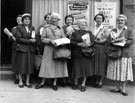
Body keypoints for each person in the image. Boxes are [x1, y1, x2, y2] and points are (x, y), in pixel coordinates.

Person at [35, 13, 68, 91]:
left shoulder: (60, 29)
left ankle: (54, 83)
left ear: (58, 20)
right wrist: (50, 41)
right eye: (53, 19)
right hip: (48, 49)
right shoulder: (46, 28)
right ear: (51, 20)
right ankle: (42, 82)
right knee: (46, 66)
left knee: (57, 65)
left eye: (56, 19)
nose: (54, 20)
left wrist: (62, 41)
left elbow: (64, 37)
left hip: (58, 49)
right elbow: (42, 39)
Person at [106, 14, 134, 96]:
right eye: (119, 20)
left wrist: (123, 43)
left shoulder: (129, 30)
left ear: (125, 21)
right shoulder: (113, 30)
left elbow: (131, 41)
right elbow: (108, 41)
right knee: (116, 71)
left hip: (124, 54)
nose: (120, 21)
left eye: (122, 20)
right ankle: (117, 87)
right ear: (117, 21)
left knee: (124, 72)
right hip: (114, 53)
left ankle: (123, 88)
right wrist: (112, 42)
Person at [71, 19, 95, 92]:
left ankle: (83, 84)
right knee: (76, 69)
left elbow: (93, 41)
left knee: (85, 69)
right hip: (77, 53)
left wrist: (89, 44)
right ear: (79, 26)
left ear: (86, 25)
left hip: (86, 53)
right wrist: (78, 44)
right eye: (81, 25)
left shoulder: (89, 33)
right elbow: (71, 41)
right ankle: (75, 83)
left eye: (84, 25)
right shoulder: (75, 33)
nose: (83, 26)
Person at [16, 13, 36, 88]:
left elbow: (33, 37)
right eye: (25, 19)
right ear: (23, 20)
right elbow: (18, 38)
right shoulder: (19, 27)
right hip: (22, 49)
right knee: (21, 65)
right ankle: (21, 81)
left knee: (29, 65)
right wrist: (29, 41)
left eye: (28, 19)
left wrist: (34, 40)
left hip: (30, 49)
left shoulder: (32, 27)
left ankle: (27, 81)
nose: (27, 21)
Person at [92, 14, 110, 88]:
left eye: (100, 18)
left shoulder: (105, 29)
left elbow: (106, 39)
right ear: (95, 19)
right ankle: (96, 80)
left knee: (101, 64)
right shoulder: (92, 28)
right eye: (97, 18)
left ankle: (100, 81)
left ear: (102, 20)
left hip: (102, 48)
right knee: (95, 64)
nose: (99, 19)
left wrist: (98, 42)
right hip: (93, 48)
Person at [8, 15, 22, 84]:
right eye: (17, 19)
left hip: (23, 47)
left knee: (22, 62)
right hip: (15, 47)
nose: (19, 20)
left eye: (20, 19)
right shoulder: (14, 28)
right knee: (15, 62)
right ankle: (17, 77)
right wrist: (10, 36)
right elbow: (10, 40)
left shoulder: (25, 28)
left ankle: (22, 78)